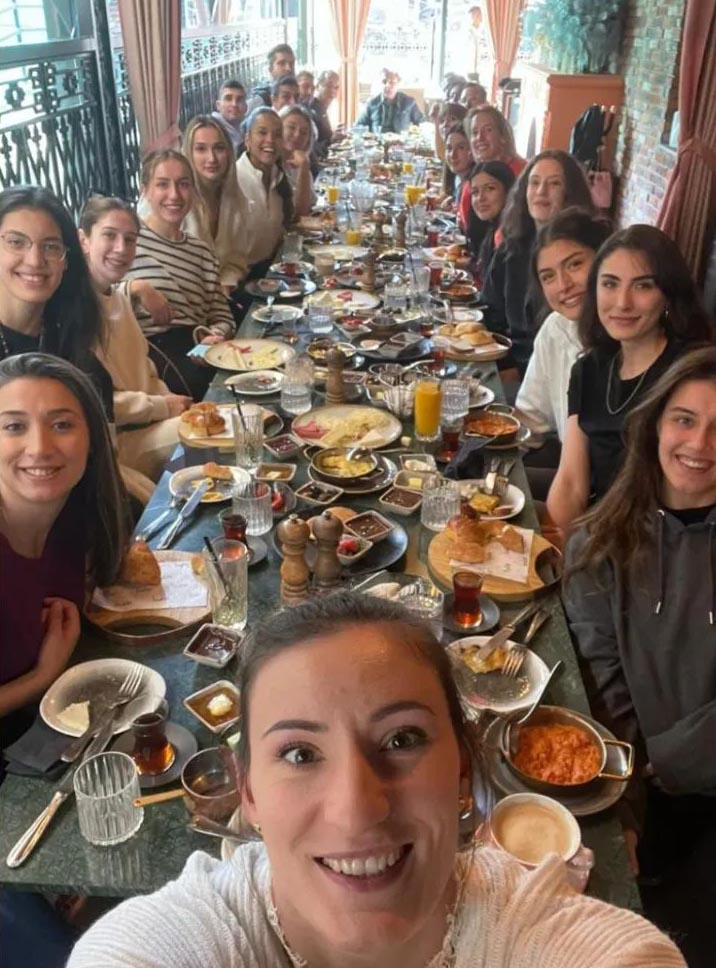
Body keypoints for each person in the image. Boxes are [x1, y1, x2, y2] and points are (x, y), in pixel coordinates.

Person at [67, 592, 685, 968]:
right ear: (248, 792)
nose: (357, 809)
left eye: (402, 740)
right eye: (300, 753)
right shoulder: (181, 941)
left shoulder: (545, 939)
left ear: (462, 769)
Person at [563, 345, 716, 968]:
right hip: (636, 785)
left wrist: (669, 760)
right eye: (685, 419)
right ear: (654, 425)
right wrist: (624, 806)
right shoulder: (595, 542)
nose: (700, 444)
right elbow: (603, 685)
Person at [546, 225, 714, 540]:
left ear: (668, 294)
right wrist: (568, 549)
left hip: (662, 541)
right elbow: (570, 482)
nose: (623, 303)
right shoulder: (590, 368)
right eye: (610, 284)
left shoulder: (690, 374)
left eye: (642, 286)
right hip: (596, 532)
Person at [0, 352, 129, 735]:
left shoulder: (82, 515)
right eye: (14, 427)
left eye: (61, 425)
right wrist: (41, 677)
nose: (40, 447)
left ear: (92, 439)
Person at [78, 195, 190, 482]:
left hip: (153, 423)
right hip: (119, 443)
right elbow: (97, 400)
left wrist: (170, 401)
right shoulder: (75, 311)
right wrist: (163, 406)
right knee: (226, 429)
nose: (121, 248)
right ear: (83, 240)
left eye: (129, 240)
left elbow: (144, 370)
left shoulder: (117, 298)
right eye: (109, 235)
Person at [122, 150, 234, 400]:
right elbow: (99, 296)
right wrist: (136, 288)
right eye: (162, 184)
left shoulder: (201, 252)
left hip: (197, 350)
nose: (174, 195)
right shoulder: (128, 242)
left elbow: (222, 316)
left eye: (183, 185)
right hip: (147, 356)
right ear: (145, 191)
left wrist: (213, 336)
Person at [0, 186, 114, 420]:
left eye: (51, 246)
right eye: (16, 242)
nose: (35, 260)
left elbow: (102, 440)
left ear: (67, 261)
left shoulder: (80, 360)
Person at [481, 149, 595, 376]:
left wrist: (517, 372)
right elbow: (489, 310)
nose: (541, 192)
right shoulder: (511, 247)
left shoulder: (586, 254)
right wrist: (503, 363)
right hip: (507, 360)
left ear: (570, 192)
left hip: (557, 370)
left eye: (554, 184)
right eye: (534, 183)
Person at [517, 208, 613, 445]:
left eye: (574, 264)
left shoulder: (631, 341)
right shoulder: (555, 329)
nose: (563, 285)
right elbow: (531, 420)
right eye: (548, 276)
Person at [182, 115, 250, 301]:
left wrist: (226, 282)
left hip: (221, 300)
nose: (211, 158)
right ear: (188, 153)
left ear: (229, 152)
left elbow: (236, 260)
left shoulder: (236, 198)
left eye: (219, 148)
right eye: (201, 149)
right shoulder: (175, 200)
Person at [236, 108, 293, 277]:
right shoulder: (234, 179)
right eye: (262, 132)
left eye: (277, 135)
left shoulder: (279, 176)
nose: (270, 140)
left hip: (274, 270)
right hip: (241, 277)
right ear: (247, 139)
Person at [458, 106, 526, 233]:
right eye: (474, 133)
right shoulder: (475, 177)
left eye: (488, 130)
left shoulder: (523, 174)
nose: (480, 137)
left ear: (503, 136)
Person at [465, 160, 516, 285]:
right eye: (475, 192)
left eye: (490, 189)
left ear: (508, 191)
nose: (480, 198)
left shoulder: (509, 237)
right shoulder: (491, 228)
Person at [356, 68, 425, 134]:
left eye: (392, 83)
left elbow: (422, 124)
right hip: (378, 141)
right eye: (384, 82)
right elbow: (358, 126)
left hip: (401, 141)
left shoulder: (409, 102)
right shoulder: (372, 104)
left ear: (398, 85)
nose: (387, 85)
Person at [279, 105, 315, 216]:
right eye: (291, 127)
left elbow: (308, 207)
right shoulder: (270, 166)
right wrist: (304, 168)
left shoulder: (300, 161)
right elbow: (299, 213)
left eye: (304, 132)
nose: (297, 135)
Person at [248, 43, 296, 109]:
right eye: (282, 63)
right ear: (270, 69)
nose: (289, 68)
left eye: (291, 63)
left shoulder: (302, 94)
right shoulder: (261, 100)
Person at [439, 124, 473, 214]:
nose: (453, 155)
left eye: (461, 148)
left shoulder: (474, 187)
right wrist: (452, 201)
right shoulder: (458, 178)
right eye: (449, 148)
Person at [309, 69, 342, 158]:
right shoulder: (312, 110)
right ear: (317, 86)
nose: (332, 91)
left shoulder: (324, 109)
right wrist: (331, 139)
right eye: (329, 86)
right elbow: (312, 147)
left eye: (336, 87)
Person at [211, 79, 247, 154]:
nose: (234, 104)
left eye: (239, 99)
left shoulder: (245, 131)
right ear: (218, 105)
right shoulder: (211, 131)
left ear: (246, 107)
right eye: (228, 99)